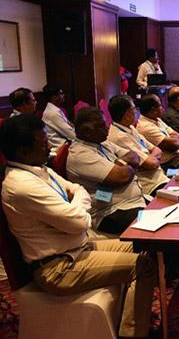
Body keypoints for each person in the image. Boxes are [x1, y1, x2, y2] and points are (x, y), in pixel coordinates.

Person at [0, 114, 156, 339]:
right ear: (23, 152)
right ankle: (133, 334)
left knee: (143, 246)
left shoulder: (39, 169)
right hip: (58, 268)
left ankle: (128, 321)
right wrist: (78, 204)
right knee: (144, 266)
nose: (50, 149)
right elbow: (80, 222)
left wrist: (77, 201)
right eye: (43, 144)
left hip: (76, 249)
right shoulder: (21, 185)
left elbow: (77, 189)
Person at [66, 107, 146, 235]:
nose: (107, 128)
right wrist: (123, 168)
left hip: (133, 203)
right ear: (87, 131)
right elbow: (122, 176)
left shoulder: (103, 143)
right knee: (160, 228)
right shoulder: (80, 155)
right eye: (102, 126)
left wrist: (119, 164)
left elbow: (135, 156)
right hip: (110, 212)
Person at [107, 95, 169, 196]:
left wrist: (152, 158)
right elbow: (151, 164)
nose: (137, 112)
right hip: (150, 185)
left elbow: (157, 149)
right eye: (134, 109)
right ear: (127, 114)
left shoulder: (130, 128)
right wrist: (153, 159)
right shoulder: (119, 137)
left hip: (159, 177)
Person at [136, 94, 179, 170]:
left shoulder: (156, 119)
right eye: (160, 105)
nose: (163, 108)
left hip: (178, 158)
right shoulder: (145, 127)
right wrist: (174, 139)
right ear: (153, 109)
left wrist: (174, 138)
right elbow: (175, 145)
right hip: (168, 165)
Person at [42, 84, 76, 150]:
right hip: (61, 148)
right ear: (54, 97)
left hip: (66, 144)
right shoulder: (52, 113)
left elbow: (70, 126)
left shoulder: (54, 109)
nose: (63, 95)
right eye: (61, 93)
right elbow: (71, 135)